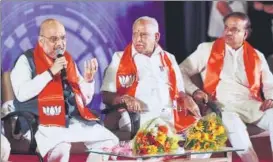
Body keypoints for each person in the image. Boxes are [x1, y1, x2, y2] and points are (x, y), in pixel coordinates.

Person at [10, 18, 119, 162]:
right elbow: (22, 94)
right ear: (41, 41)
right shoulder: (26, 60)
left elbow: (84, 100)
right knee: (60, 147)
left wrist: (88, 80)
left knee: (108, 142)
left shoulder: (68, 61)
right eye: (54, 39)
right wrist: (50, 73)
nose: (60, 44)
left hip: (70, 121)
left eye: (62, 38)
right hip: (41, 121)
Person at [180, 12, 273, 162]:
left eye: (235, 29)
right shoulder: (206, 49)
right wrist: (194, 90)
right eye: (226, 27)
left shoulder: (257, 55)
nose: (228, 32)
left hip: (251, 105)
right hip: (221, 106)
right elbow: (180, 71)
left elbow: (269, 83)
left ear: (246, 34)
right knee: (234, 125)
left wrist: (271, 98)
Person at [101, 16, 200, 140]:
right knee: (163, 138)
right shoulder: (119, 58)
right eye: (135, 34)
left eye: (143, 35)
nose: (138, 39)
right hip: (138, 116)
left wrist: (186, 97)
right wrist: (124, 98)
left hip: (170, 114)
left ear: (156, 37)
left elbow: (179, 91)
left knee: (204, 135)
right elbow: (106, 95)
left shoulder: (169, 58)